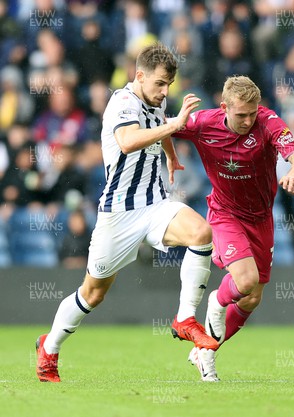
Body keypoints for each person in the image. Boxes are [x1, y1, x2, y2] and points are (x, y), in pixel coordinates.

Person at [35, 43, 219, 383]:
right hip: (118, 214)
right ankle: (50, 346)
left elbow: (160, 121)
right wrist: (177, 126)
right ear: (139, 76)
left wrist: (170, 154)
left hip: (154, 204)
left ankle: (184, 319)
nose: (165, 92)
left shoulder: (157, 99)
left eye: (168, 86)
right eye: (160, 84)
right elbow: (128, 141)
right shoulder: (121, 102)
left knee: (201, 233)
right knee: (93, 293)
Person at [172, 76, 294, 381]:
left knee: (252, 297)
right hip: (225, 214)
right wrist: (170, 155)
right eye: (240, 115)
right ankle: (216, 301)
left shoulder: (269, 121)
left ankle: (205, 352)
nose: (248, 120)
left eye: (252, 112)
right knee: (245, 281)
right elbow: (163, 129)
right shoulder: (202, 124)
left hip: (261, 218)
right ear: (224, 108)